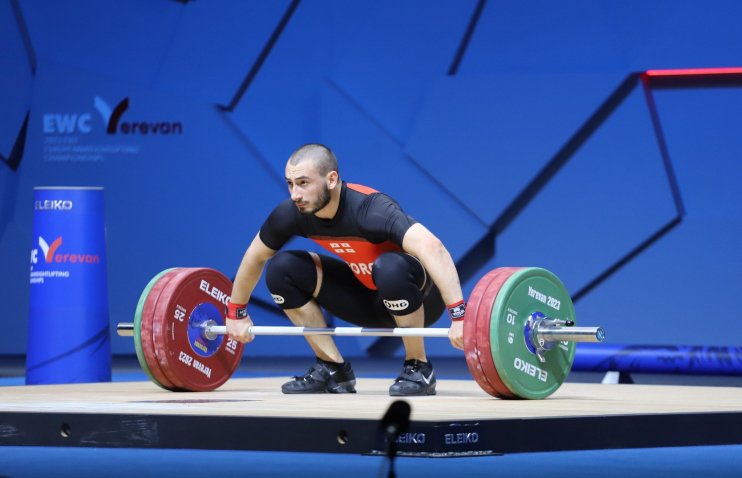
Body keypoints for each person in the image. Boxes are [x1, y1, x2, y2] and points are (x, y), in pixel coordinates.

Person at [226, 143, 465, 396]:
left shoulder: (370, 209)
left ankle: (418, 366)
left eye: (304, 183)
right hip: (368, 300)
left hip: (420, 299)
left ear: (332, 179)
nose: (295, 194)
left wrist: (459, 316)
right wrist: (236, 311)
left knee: (389, 266)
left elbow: (434, 248)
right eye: (290, 184)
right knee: (281, 268)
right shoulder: (294, 213)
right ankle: (332, 368)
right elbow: (255, 256)